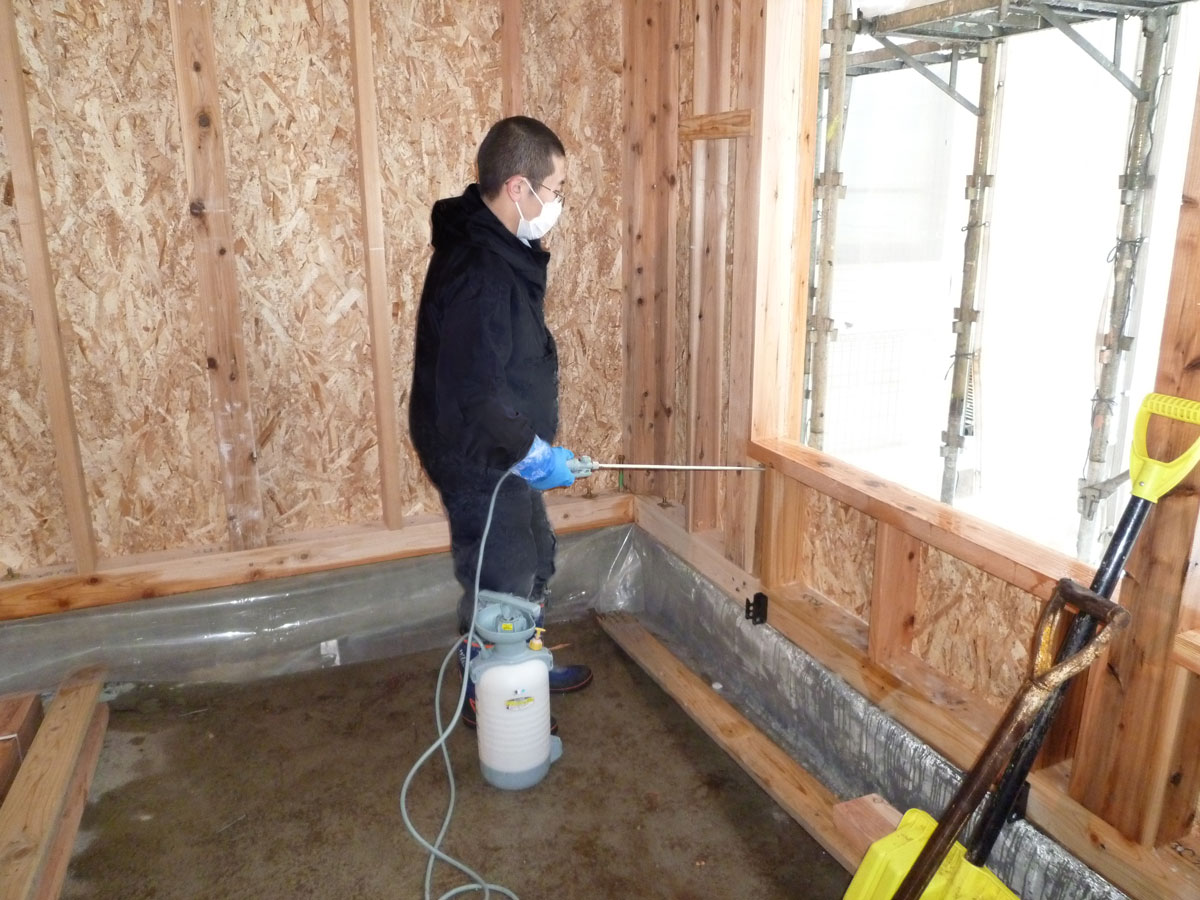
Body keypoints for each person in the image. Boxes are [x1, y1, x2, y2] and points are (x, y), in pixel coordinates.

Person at [408, 116, 593, 727]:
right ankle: (488, 690)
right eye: (555, 189)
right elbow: (477, 393)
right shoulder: (480, 271)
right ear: (519, 187)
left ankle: (523, 663)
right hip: (479, 453)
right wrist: (533, 453)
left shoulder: (503, 248)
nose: (557, 203)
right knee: (502, 576)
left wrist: (533, 447)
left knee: (534, 556)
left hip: (505, 447)